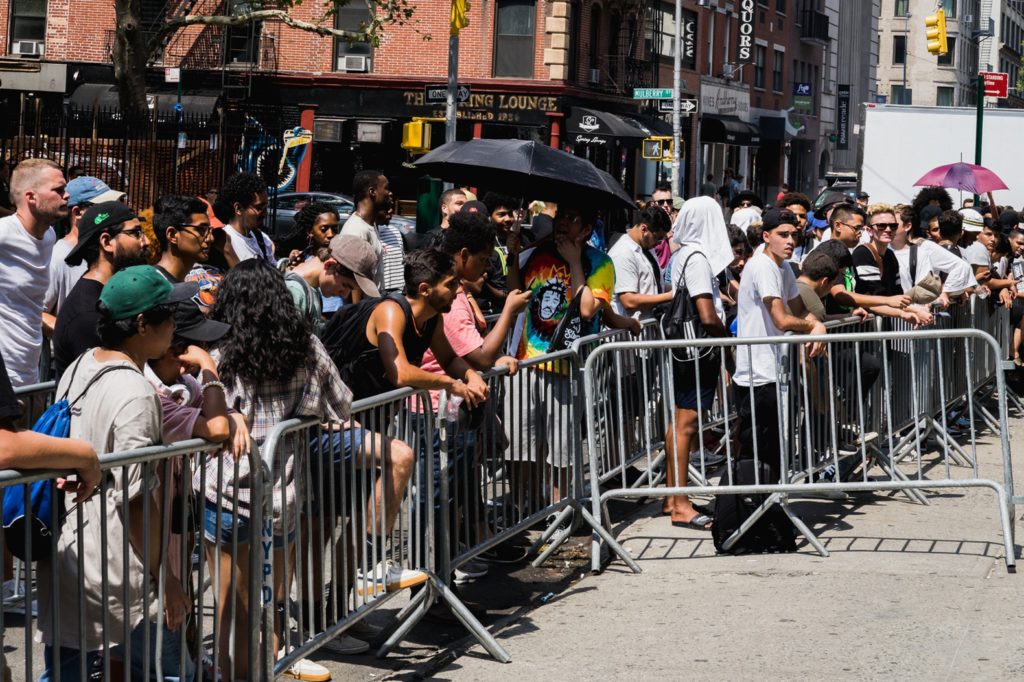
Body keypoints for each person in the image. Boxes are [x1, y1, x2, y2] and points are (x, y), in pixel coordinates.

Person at [201, 260, 358, 680]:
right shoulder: (305, 347)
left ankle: (232, 674)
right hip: (283, 491)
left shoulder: (219, 355)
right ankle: (263, 673)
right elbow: (341, 404)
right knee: (269, 601)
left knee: (229, 606)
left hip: (227, 490)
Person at [38, 265, 197, 682]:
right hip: (117, 571)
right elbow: (137, 500)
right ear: (142, 324)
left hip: (68, 549)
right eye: (169, 314)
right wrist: (167, 578)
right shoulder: (136, 393)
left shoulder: (78, 366)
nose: (175, 326)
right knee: (160, 671)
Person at [734, 208, 826, 472]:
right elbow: (781, 320)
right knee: (759, 452)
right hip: (757, 375)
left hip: (774, 371)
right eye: (782, 235)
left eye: (794, 235)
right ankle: (752, 508)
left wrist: (816, 325)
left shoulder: (782, 266)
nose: (790, 241)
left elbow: (797, 308)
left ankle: (772, 505)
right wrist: (813, 326)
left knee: (775, 449)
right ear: (766, 236)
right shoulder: (762, 266)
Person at [663, 196, 732, 530]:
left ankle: (672, 496)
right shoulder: (698, 258)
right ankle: (680, 504)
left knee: (679, 423)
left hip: (685, 350)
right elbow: (706, 312)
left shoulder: (682, 254)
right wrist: (728, 341)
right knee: (687, 424)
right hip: (696, 352)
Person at [53, 201, 149, 376]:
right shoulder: (87, 315)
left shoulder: (109, 297)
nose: (146, 242)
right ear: (106, 242)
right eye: (135, 233)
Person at [0, 159, 67, 386]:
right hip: (5, 377)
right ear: (31, 197)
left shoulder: (49, 237)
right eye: (58, 190)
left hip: (31, 376)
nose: (66, 195)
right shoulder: (3, 234)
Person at [43, 176, 125, 335]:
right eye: (102, 207)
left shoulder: (109, 251)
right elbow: (38, 313)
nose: (110, 211)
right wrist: (76, 335)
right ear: (77, 212)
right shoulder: (58, 258)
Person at [851, 205, 933, 325]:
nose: (888, 230)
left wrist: (917, 309)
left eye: (893, 226)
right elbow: (874, 300)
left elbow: (896, 295)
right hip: (864, 329)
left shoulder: (890, 255)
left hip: (884, 326)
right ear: (869, 230)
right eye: (881, 226)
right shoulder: (863, 254)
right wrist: (911, 311)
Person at [285, 234, 380, 336]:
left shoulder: (312, 290)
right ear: (330, 265)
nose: (344, 295)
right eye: (345, 285)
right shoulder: (294, 292)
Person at [890, 205, 975, 302]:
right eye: (883, 225)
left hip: (914, 310)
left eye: (893, 225)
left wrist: (946, 293)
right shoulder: (881, 247)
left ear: (908, 226)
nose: (888, 228)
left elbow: (961, 267)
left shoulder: (923, 248)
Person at [608, 205, 673, 317]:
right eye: (658, 238)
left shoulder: (647, 246)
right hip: (630, 331)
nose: (659, 243)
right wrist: (671, 295)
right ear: (644, 229)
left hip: (648, 328)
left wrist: (678, 289)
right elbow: (629, 301)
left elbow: (654, 284)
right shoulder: (623, 253)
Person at [340, 169, 393, 298]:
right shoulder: (356, 230)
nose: (390, 193)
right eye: (386, 188)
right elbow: (353, 282)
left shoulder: (370, 225)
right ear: (372, 192)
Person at [152, 195, 214, 283]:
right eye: (201, 229)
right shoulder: (153, 288)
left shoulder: (193, 282)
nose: (211, 238)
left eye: (210, 230)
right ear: (172, 235)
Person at [221, 171, 275, 265]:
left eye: (266, 207)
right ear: (238, 208)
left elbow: (274, 271)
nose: (265, 213)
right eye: (259, 208)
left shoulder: (262, 238)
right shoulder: (224, 241)